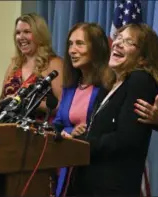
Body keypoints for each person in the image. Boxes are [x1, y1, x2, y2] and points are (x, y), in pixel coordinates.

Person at [64, 23, 158, 196]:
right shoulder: (109, 85)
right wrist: (76, 137)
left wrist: (81, 145)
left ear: (142, 58)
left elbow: (125, 138)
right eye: (118, 38)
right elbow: (99, 132)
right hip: (88, 183)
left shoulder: (140, 80)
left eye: (128, 42)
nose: (118, 43)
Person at [52, 22, 111, 197]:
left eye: (79, 43)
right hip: (70, 170)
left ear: (96, 48)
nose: (72, 50)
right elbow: (58, 124)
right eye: (70, 44)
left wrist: (80, 134)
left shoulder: (108, 87)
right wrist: (69, 132)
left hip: (98, 172)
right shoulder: (71, 87)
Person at [0, 13, 63, 118]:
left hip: (39, 130)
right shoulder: (14, 65)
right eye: (18, 33)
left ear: (40, 35)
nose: (21, 37)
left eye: (27, 32)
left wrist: (27, 101)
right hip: (8, 128)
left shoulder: (54, 63)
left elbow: (63, 107)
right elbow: (1, 100)